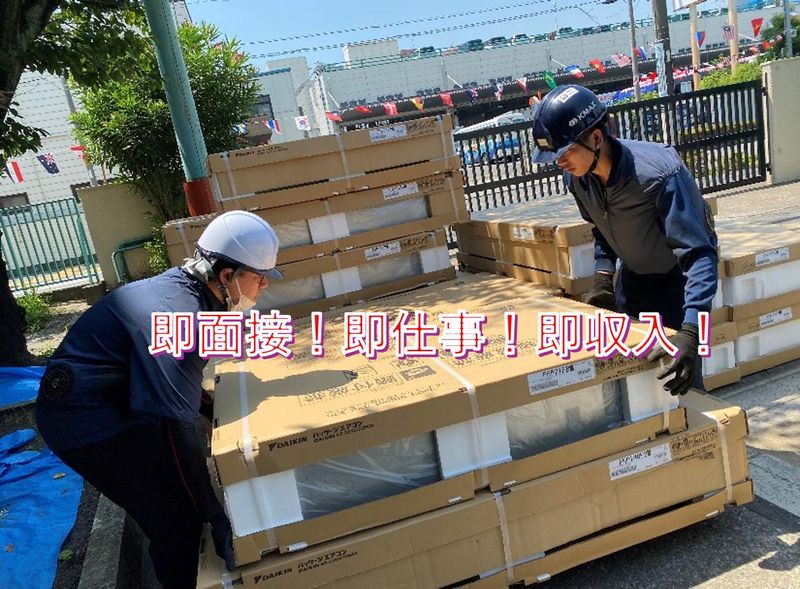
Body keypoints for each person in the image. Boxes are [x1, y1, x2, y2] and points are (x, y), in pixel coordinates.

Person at [36, 211, 282, 588]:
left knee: (178, 495)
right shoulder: (183, 317)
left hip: (113, 396)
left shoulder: (187, 290)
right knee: (174, 520)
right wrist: (214, 515)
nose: (264, 285)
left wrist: (213, 408)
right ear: (227, 276)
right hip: (85, 422)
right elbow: (177, 427)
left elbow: (180, 385)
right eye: (259, 276)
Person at [531, 84, 718, 396]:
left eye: (565, 152)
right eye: (554, 156)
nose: (560, 162)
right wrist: (603, 278)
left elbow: (699, 254)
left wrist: (691, 330)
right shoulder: (578, 179)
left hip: (677, 287)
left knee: (683, 386)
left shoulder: (659, 175)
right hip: (633, 283)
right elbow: (601, 226)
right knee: (633, 383)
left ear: (596, 138)